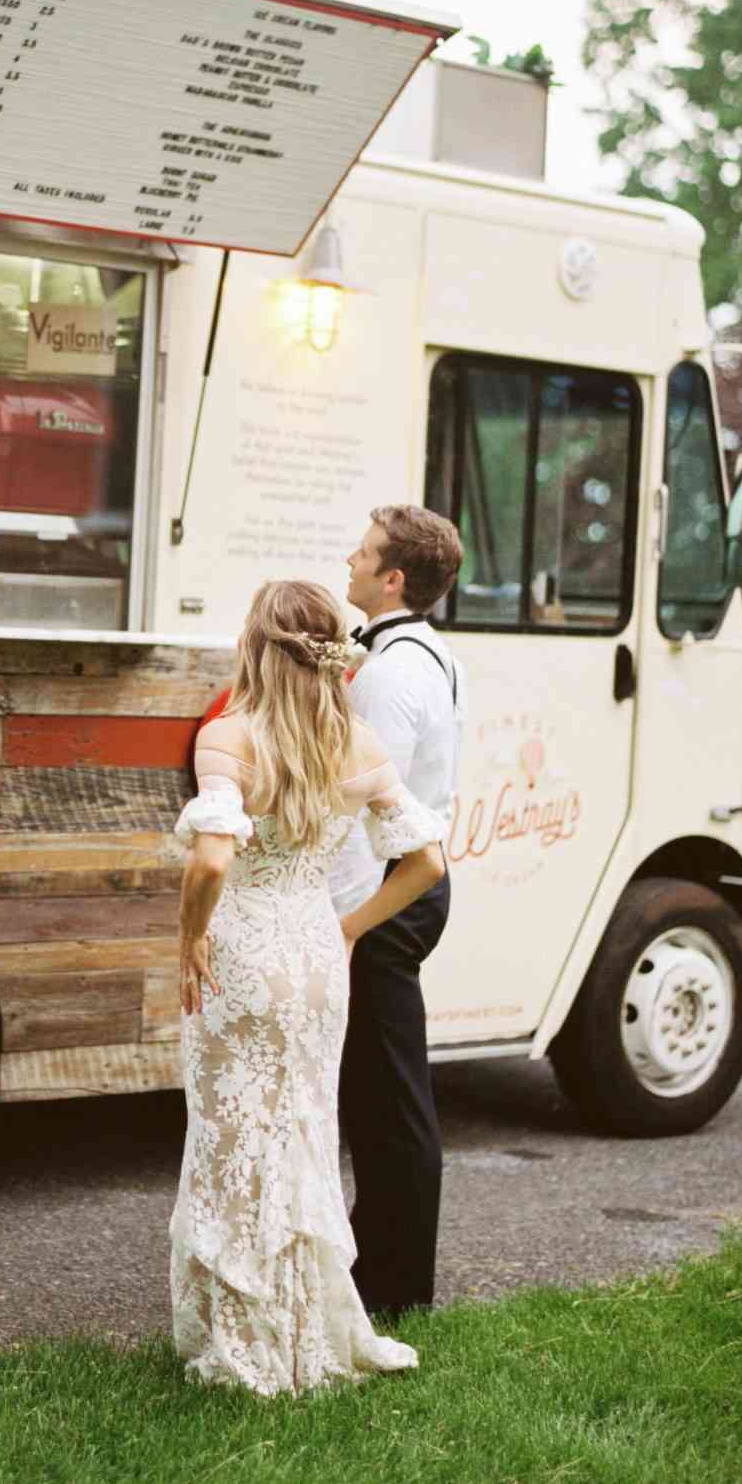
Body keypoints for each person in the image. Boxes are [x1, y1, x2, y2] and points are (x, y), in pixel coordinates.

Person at [172, 579, 449, 1396]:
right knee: (303, 1134)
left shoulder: (229, 738)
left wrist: (190, 936)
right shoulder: (360, 746)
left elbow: (213, 857)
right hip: (316, 953)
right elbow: (427, 863)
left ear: (255, 647)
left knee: (231, 1139)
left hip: (243, 951)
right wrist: (353, 926)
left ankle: (244, 1341)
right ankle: (307, 1332)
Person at [331, 506, 465, 1324]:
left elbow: (361, 808)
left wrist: (342, 922)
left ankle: (395, 1286)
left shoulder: (387, 672)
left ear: (391, 579)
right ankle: (379, 1263)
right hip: (403, 885)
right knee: (379, 1096)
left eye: (363, 550)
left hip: (388, 890)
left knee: (387, 1101)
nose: (347, 557)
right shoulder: (424, 652)